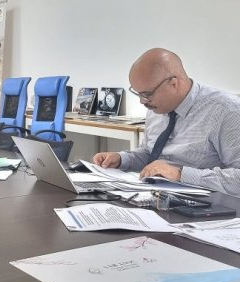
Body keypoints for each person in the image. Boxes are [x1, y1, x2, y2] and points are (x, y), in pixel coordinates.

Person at [93, 48, 240, 196]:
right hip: (156, 196)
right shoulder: (156, 106)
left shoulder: (226, 111)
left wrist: (180, 174)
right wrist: (122, 159)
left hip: (207, 204)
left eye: (147, 94)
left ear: (174, 83)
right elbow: (150, 153)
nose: (142, 101)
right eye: (138, 94)